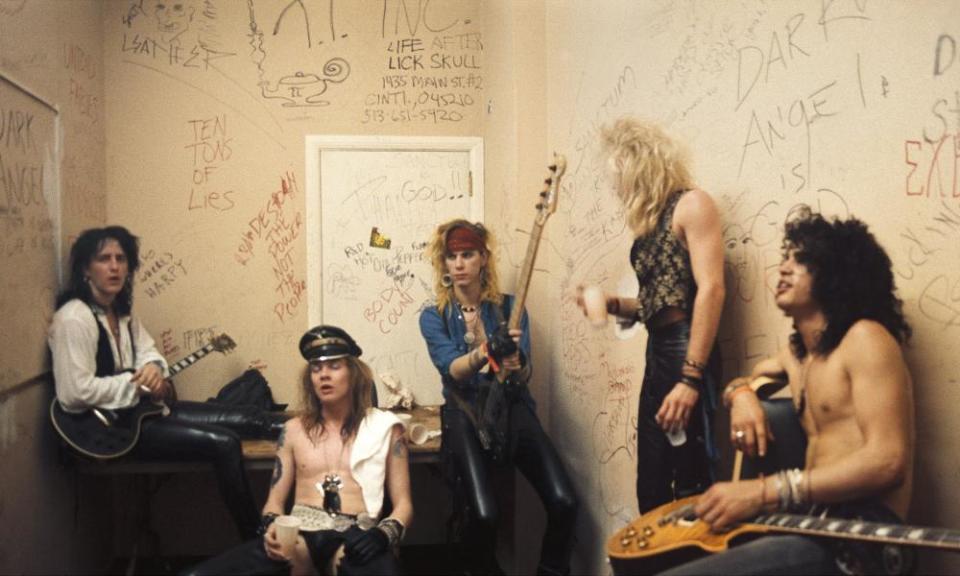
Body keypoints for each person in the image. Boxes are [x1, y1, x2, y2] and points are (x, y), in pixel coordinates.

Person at [660, 211, 914, 575]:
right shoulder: (798, 356)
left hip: (863, 536)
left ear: (835, 274)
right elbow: (745, 379)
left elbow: (889, 462)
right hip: (806, 522)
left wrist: (765, 492)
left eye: (802, 260)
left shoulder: (865, 338)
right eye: (786, 257)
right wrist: (743, 395)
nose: (783, 269)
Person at [48, 226, 285, 540]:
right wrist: (137, 385)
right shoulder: (73, 319)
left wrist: (154, 372)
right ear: (85, 269)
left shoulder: (122, 314)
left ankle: (329, 430)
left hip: (143, 413)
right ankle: (255, 540)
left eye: (121, 258)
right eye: (104, 259)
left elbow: (150, 354)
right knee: (225, 443)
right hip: (113, 432)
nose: (115, 266)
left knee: (250, 418)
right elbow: (73, 393)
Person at [577, 118, 725, 513]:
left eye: (620, 173)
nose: (619, 186)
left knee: (690, 481)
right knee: (654, 487)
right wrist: (610, 303)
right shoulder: (652, 223)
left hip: (686, 351)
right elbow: (657, 304)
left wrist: (691, 378)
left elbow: (711, 289)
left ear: (641, 164)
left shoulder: (693, 204)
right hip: (659, 353)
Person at [419, 219, 578, 576]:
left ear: (483, 259)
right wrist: (487, 350)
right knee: (484, 515)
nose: (459, 264)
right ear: (443, 263)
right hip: (464, 413)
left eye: (468, 254)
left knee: (565, 501)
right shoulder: (434, 316)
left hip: (512, 408)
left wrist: (515, 361)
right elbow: (453, 369)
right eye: (452, 256)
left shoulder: (510, 308)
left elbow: (524, 373)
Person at [186, 324, 412, 576]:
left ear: (353, 373)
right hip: (300, 535)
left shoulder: (386, 428)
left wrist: (383, 534)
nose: (323, 375)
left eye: (334, 366)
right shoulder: (293, 430)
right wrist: (271, 524)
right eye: (316, 368)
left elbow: (404, 504)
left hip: (355, 535)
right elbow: (274, 501)